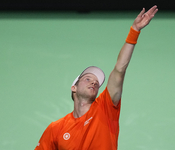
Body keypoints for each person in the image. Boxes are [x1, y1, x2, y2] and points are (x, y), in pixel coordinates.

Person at [34, 5, 158, 150]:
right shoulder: (56, 129)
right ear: (74, 87)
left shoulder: (105, 108)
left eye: (96, 83)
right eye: (87, 79)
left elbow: (119, 69)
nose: (94, 82)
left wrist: (134, 31)